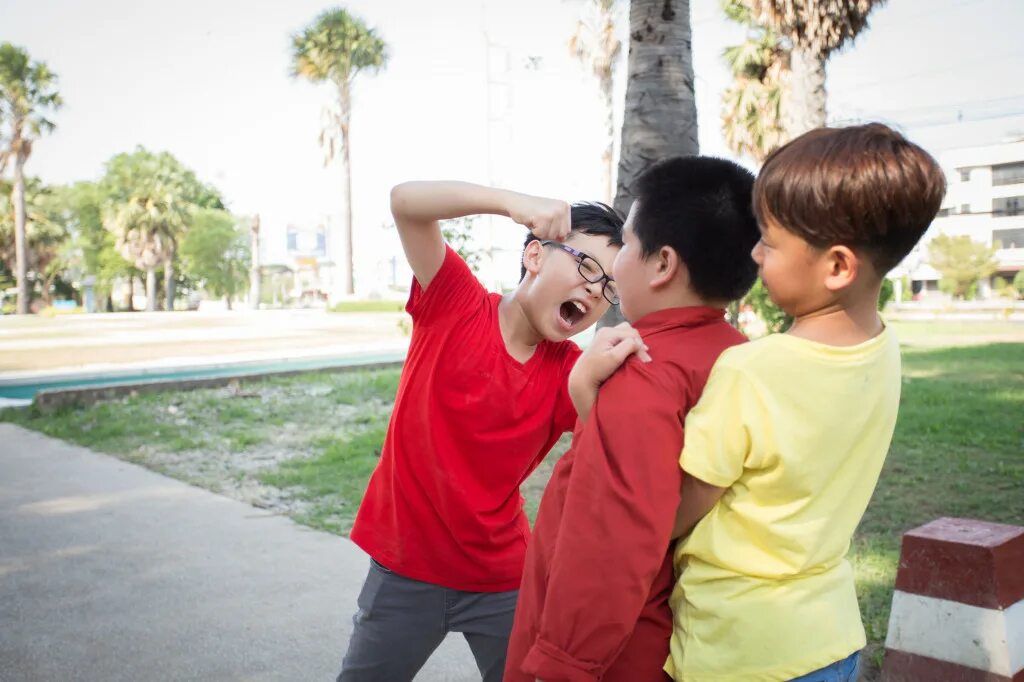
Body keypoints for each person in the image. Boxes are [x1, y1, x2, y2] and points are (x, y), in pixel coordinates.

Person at [665, 123, 946, 681]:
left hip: (737, 645)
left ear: (837, 266)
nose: (754, 252)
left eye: (768, 241)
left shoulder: (753, 369)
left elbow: (681, 503)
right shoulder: (883, 348)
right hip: (830, 638)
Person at [337, 181, 624, 682]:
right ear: (534, 255)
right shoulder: (456, 302)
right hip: (406, 568)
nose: (595, 291)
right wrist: (513, 203)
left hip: (503, 578)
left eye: (609, 287)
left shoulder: (570, 373)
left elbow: (613, 454)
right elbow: (405, 203)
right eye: (586, 267)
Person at [503, 156, 761, 682]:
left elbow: (609, 546)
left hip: (615, 653)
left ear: (662, 264)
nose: (613, 272)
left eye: (626, 243)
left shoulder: (641, 370)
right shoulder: (744, 358)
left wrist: (561, 667)